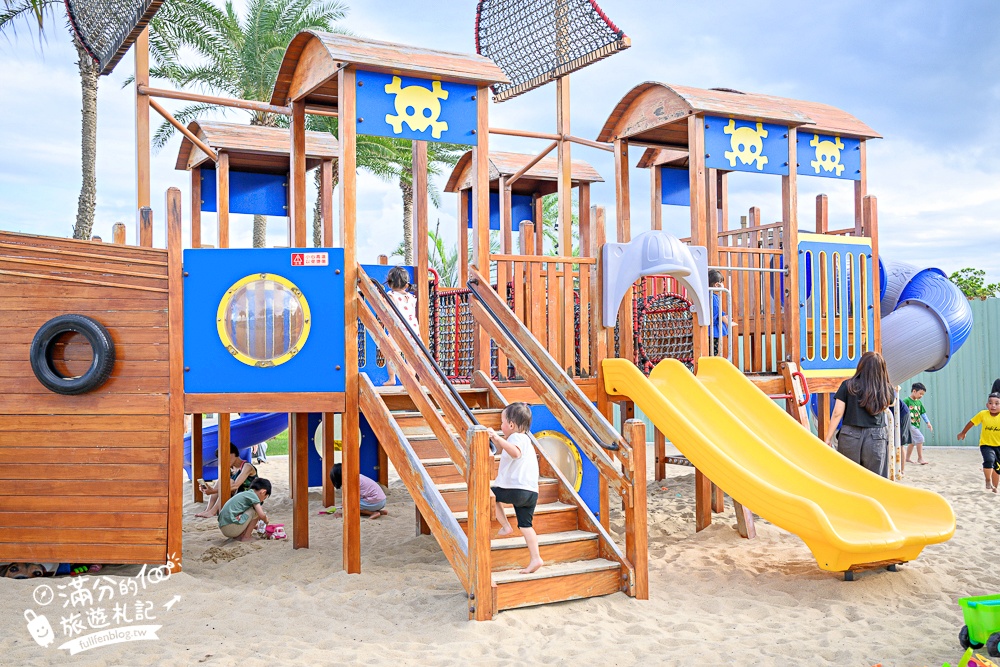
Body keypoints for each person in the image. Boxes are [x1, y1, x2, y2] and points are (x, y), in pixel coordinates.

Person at [489, 402, 543, 574]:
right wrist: (496, 442)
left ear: (511, 425)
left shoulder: (516, 438)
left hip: (516, 489)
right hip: (531, 492)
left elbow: (515, 453)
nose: (501, 426)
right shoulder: (526, 439)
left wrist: (497, 438)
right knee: (526, 526)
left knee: (489, 493)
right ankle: (536, 558)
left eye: (502, 422)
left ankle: (505, 526)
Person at [824, 351, 894, 477]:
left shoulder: (848, 385)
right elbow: (889, 404)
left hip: (850, 434)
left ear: (861, 365)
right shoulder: (886, 388)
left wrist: (828, 438)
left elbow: (837, 413)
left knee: (848, 477)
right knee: (876, 478)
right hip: (876, 435)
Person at [195, 443, 258, 518]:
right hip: (236, 497)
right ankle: (208, 510)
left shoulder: (247, 466)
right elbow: (222, 486)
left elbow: (235, 486)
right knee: (221, 480)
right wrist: (209, 489)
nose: (223, 460)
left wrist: (213, 491)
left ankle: (213, 511)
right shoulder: (231, 469)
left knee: (230, 482)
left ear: (233, 454)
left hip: (249, 500)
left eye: (225, 456)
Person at [957, 392, 1000, 492]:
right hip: (986, 445)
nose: (993, 406)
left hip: (999, 446)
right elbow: (972, 422)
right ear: (987, 405)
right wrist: (963, 432)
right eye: (990, 403)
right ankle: (988, 480)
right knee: (989, 460)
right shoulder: (983, 414)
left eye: (997, 403)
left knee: (997, 468)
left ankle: (995, 487)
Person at [384, 266, 419, 386]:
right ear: (406, 285)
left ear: (389, 284)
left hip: (398, 330)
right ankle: (411, 380)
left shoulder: (391, 296)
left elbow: (386, 308)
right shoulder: (411, 297)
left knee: (391, 353)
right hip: (413, 330)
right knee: (411, 357)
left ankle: (392, 378)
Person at [902, 382, 933, 465]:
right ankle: (920, 458)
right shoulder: (906, 401)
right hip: (910, 424)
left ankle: (907, 458)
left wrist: (928, 422)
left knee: (912, 442)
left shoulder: (919, 403)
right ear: (914, 391)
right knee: (920, 438)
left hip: (916, 425)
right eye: (920, 393)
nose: (921, 396)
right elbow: (901, 411)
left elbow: (923, 413)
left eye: (923, 394)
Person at [708, 269, 731, 356]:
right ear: (717, 284)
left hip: (709, 329)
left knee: (711, 350)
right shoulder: (713, 297)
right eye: (722, 282)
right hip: (712, 330)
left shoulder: (708, 295)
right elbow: (718, 314)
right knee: (713, 350)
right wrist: (728, 322)